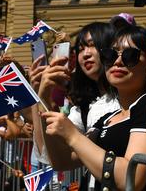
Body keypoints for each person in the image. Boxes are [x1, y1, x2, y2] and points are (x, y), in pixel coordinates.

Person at [42, 25, 146, 191]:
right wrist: (43, 100)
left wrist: (73, 136)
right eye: (110, 54)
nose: (117, 61)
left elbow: (131, 178)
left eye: (130, 55)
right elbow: (62, 161)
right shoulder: (108, 118)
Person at [38, 22, 120, 173]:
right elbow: (58, 158)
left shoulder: (129, 96)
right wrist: (41, 98)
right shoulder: (84, 108)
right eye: (80, 49)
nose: (86, 54)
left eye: (92, 45)